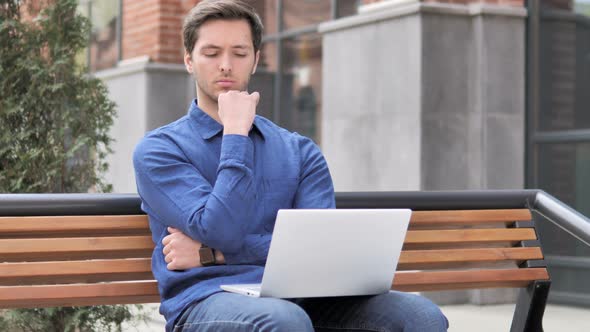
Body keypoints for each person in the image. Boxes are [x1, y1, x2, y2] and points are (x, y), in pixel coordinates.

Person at [133, 1, 448, 331]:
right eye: (211, 53)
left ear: (255, 60)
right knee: (284, 320)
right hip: (206, 299)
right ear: (189, 60)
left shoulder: (299, 150)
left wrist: (215, 254)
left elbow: (317, 249)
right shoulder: (160, 150)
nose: (225, 65)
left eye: (239, 53)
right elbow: (219, 228)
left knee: (420, 316)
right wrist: (236, 133)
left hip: (304, 299)